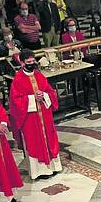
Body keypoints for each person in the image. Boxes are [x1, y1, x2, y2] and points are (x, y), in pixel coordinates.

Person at [8, 50, 62, 180]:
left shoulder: (39, 75)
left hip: (44, 115)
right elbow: (15, 102)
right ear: (22, 63)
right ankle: (39, 171)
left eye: (33, 61)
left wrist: (44, 95)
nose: (31, 64)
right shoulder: (17, 80)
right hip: (30, 119)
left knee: (49, 138)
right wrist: (32, 98)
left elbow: (50, 91)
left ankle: (53, 167)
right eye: (28, 62)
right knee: (34, 142)